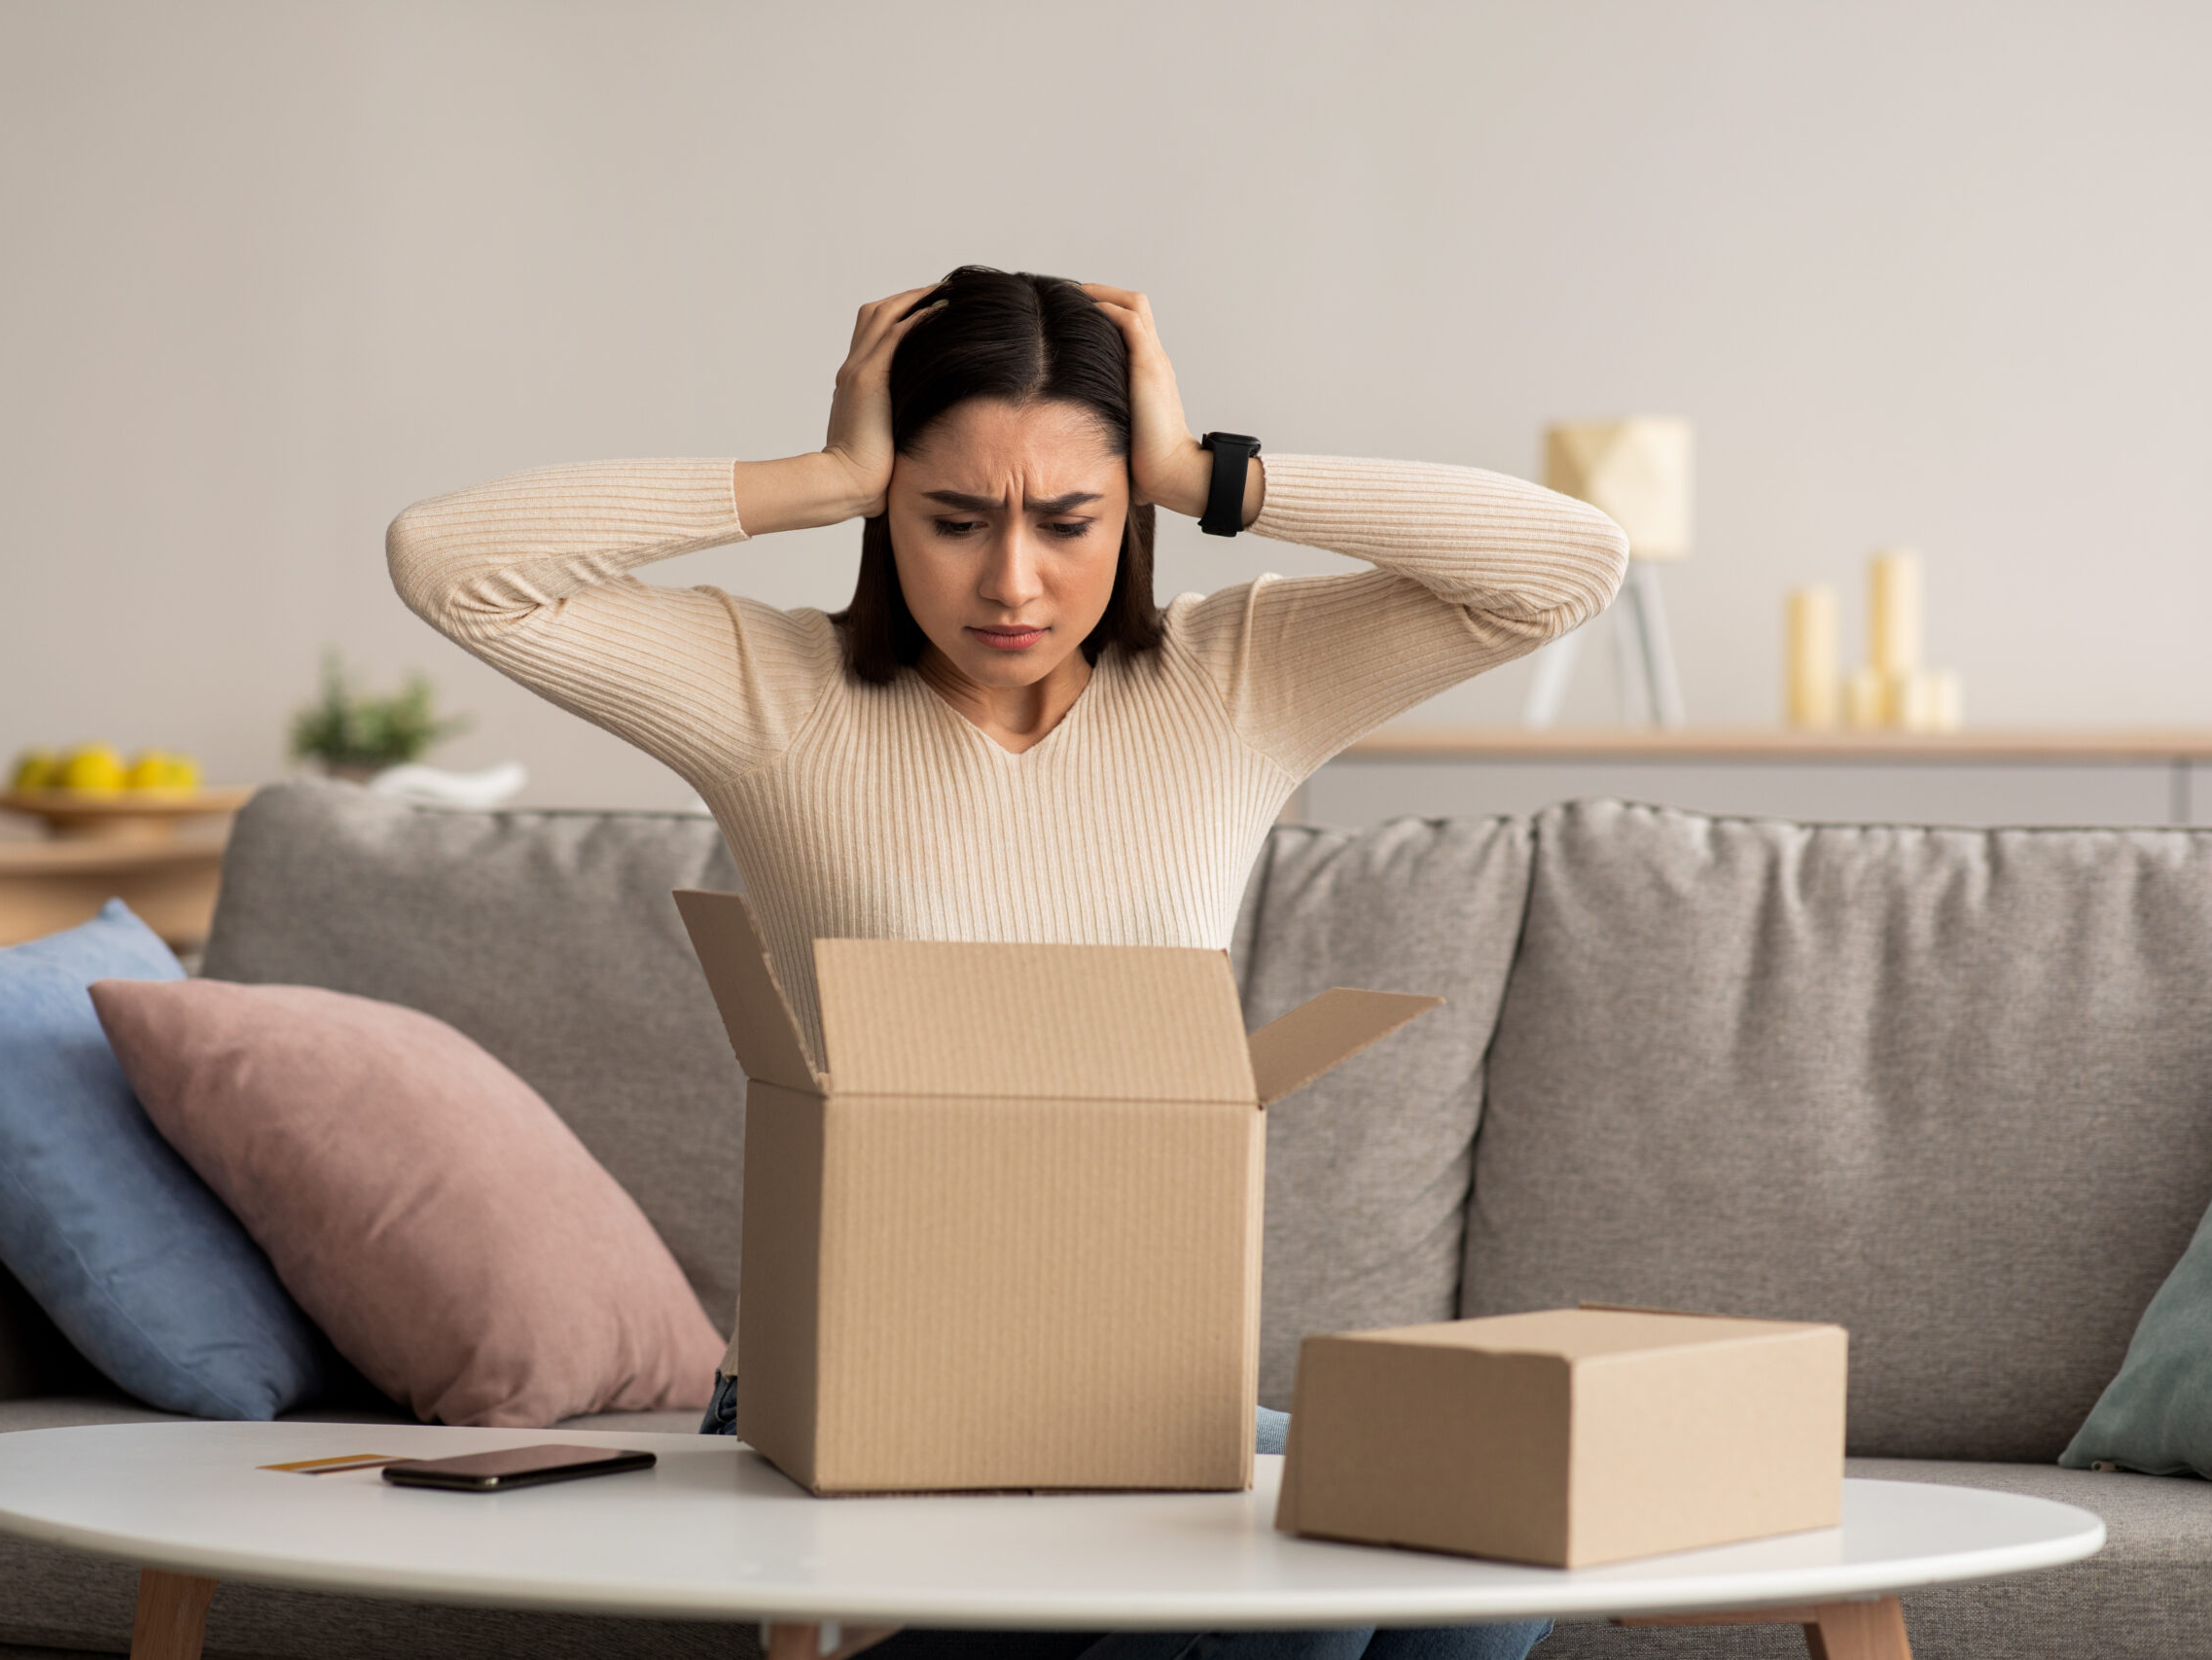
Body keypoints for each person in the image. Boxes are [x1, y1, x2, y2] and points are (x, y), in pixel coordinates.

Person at [388, 265, 1627, 1660]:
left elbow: (1566, 565)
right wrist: (818, 473)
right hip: (857, 1408)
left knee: (1500, 1526)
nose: (1011, 581)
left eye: (1071, 518)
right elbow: (450, 561)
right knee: (1292, 1603)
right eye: (954, 519)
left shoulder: (1238, 683)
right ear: (887, 514)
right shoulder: (775, 698)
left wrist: (1203, 469)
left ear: (1135, 514)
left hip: (1139, 1398)